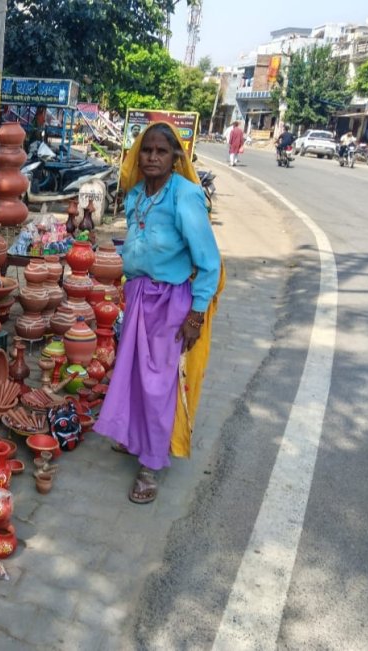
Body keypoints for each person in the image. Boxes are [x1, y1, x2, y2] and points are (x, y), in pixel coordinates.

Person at [92, 122, 224, 504]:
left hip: (171, 303)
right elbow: (136, 243)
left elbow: (209, 262)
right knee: (133, 372)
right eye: (146, 150)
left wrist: (196, 315)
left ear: (175, 158)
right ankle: (134, 437)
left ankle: (151, 464)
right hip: (138, 297)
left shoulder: (186, 197)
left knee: (159, 383)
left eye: (160, 152)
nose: (151, 157)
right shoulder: (136, 195)